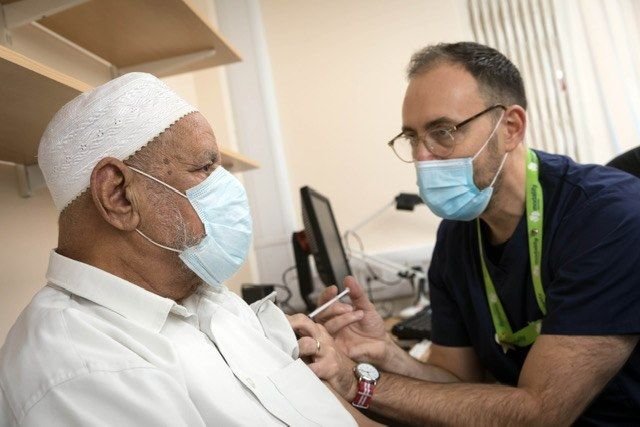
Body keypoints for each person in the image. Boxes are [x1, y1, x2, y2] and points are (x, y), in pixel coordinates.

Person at [290, 42, 640, 425]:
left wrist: (355, 382)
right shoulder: (456, 237)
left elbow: (540, 413)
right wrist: (385, 353)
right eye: (412, 137)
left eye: (443, 131)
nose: (423, 157)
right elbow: (456, 381)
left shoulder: (608, 217)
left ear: (511, 128)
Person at [0, 73, 373, 426]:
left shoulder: (204, 296)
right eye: (205, 168)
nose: (229, 190)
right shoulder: (83, 366)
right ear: (119, 195)